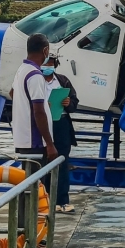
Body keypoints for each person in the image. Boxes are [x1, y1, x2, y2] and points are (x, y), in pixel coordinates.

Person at [11, 33, 58, 248]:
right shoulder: (36, 76)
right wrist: (50, 143)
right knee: (34, 191)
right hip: (35, 142)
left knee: (26, 191)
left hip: (22, 138)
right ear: (45, 50)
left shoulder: (22, 71)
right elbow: (38, 110)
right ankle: (31, 239)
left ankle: (27, 236)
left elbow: (12, 94)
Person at [41, 54, 79, 214]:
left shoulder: (62, 80)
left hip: (61, 122)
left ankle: (62, 201)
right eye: (45, 63)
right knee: (43, 161)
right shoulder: (35, 80)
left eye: (51, 63)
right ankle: (44, 200)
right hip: (42, 123)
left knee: (62, 161)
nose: (47, 66)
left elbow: (74, 102)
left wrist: (69, 103)